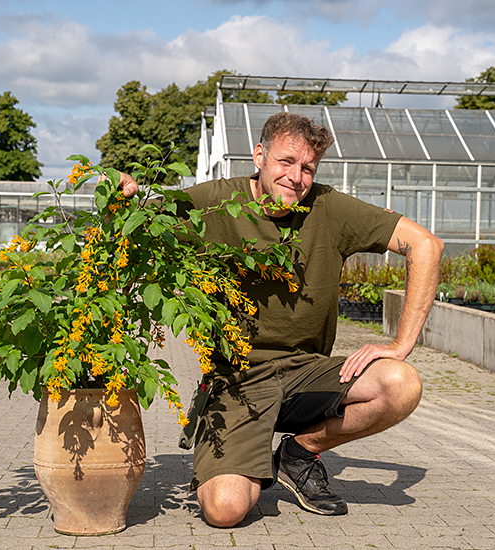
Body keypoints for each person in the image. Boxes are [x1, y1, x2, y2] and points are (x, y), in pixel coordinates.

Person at [118, 112, 443, 527]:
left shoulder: (328, 208)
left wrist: (400, 345)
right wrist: (123, 191)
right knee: (225, 510)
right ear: (259, 156)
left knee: (401, 384)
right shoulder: (214, 202)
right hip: (237, 381)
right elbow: (141, 222)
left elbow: (426, 246)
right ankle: (233, 450)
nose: (296, 176)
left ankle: (299, 453)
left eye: (307, 167)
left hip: (306, 373)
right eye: (286, 162)